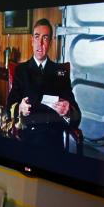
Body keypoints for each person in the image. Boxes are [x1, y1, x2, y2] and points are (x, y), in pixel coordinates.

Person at [6, 18, 81, 150]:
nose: (40, 43)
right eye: (37, 37)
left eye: (45, 38)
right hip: (28, 136)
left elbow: (76, 115)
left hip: (53, 139)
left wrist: (67, 112)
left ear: (50, 42)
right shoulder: (21, 70)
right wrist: (20, 108)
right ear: (32, 41)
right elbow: (9, 107)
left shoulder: (60, 71)